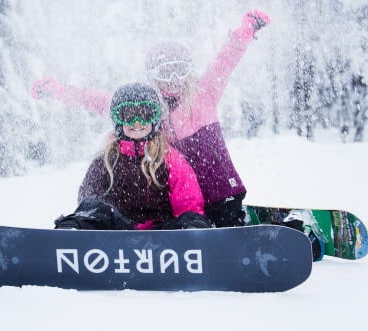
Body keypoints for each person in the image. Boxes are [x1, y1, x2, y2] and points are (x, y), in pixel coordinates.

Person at [33, 10, 270, 229]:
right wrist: (58, 91)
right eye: (166, 72)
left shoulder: (202, 95)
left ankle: (235, 230)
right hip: (178, 201)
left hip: (218, 188)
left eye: (180, 70)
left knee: (222, 218)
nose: (174, 79)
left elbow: (224, 62)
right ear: (153, 76)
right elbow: (96, 100)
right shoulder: (147, 108)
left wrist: (245, 31)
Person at [54, 82, 213, 231]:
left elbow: (188, 202)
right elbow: (89, 198)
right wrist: (89, 216)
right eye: (128, 115)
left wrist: (192, 221)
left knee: (189, 218)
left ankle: (193, 233)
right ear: (118, 121)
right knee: (95, 209)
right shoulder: (106, 160)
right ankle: (73, 231)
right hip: (117, 231)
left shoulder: (170, 158)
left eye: (145, 114)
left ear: (155, 119)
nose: (137, 123)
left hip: (161, 234)